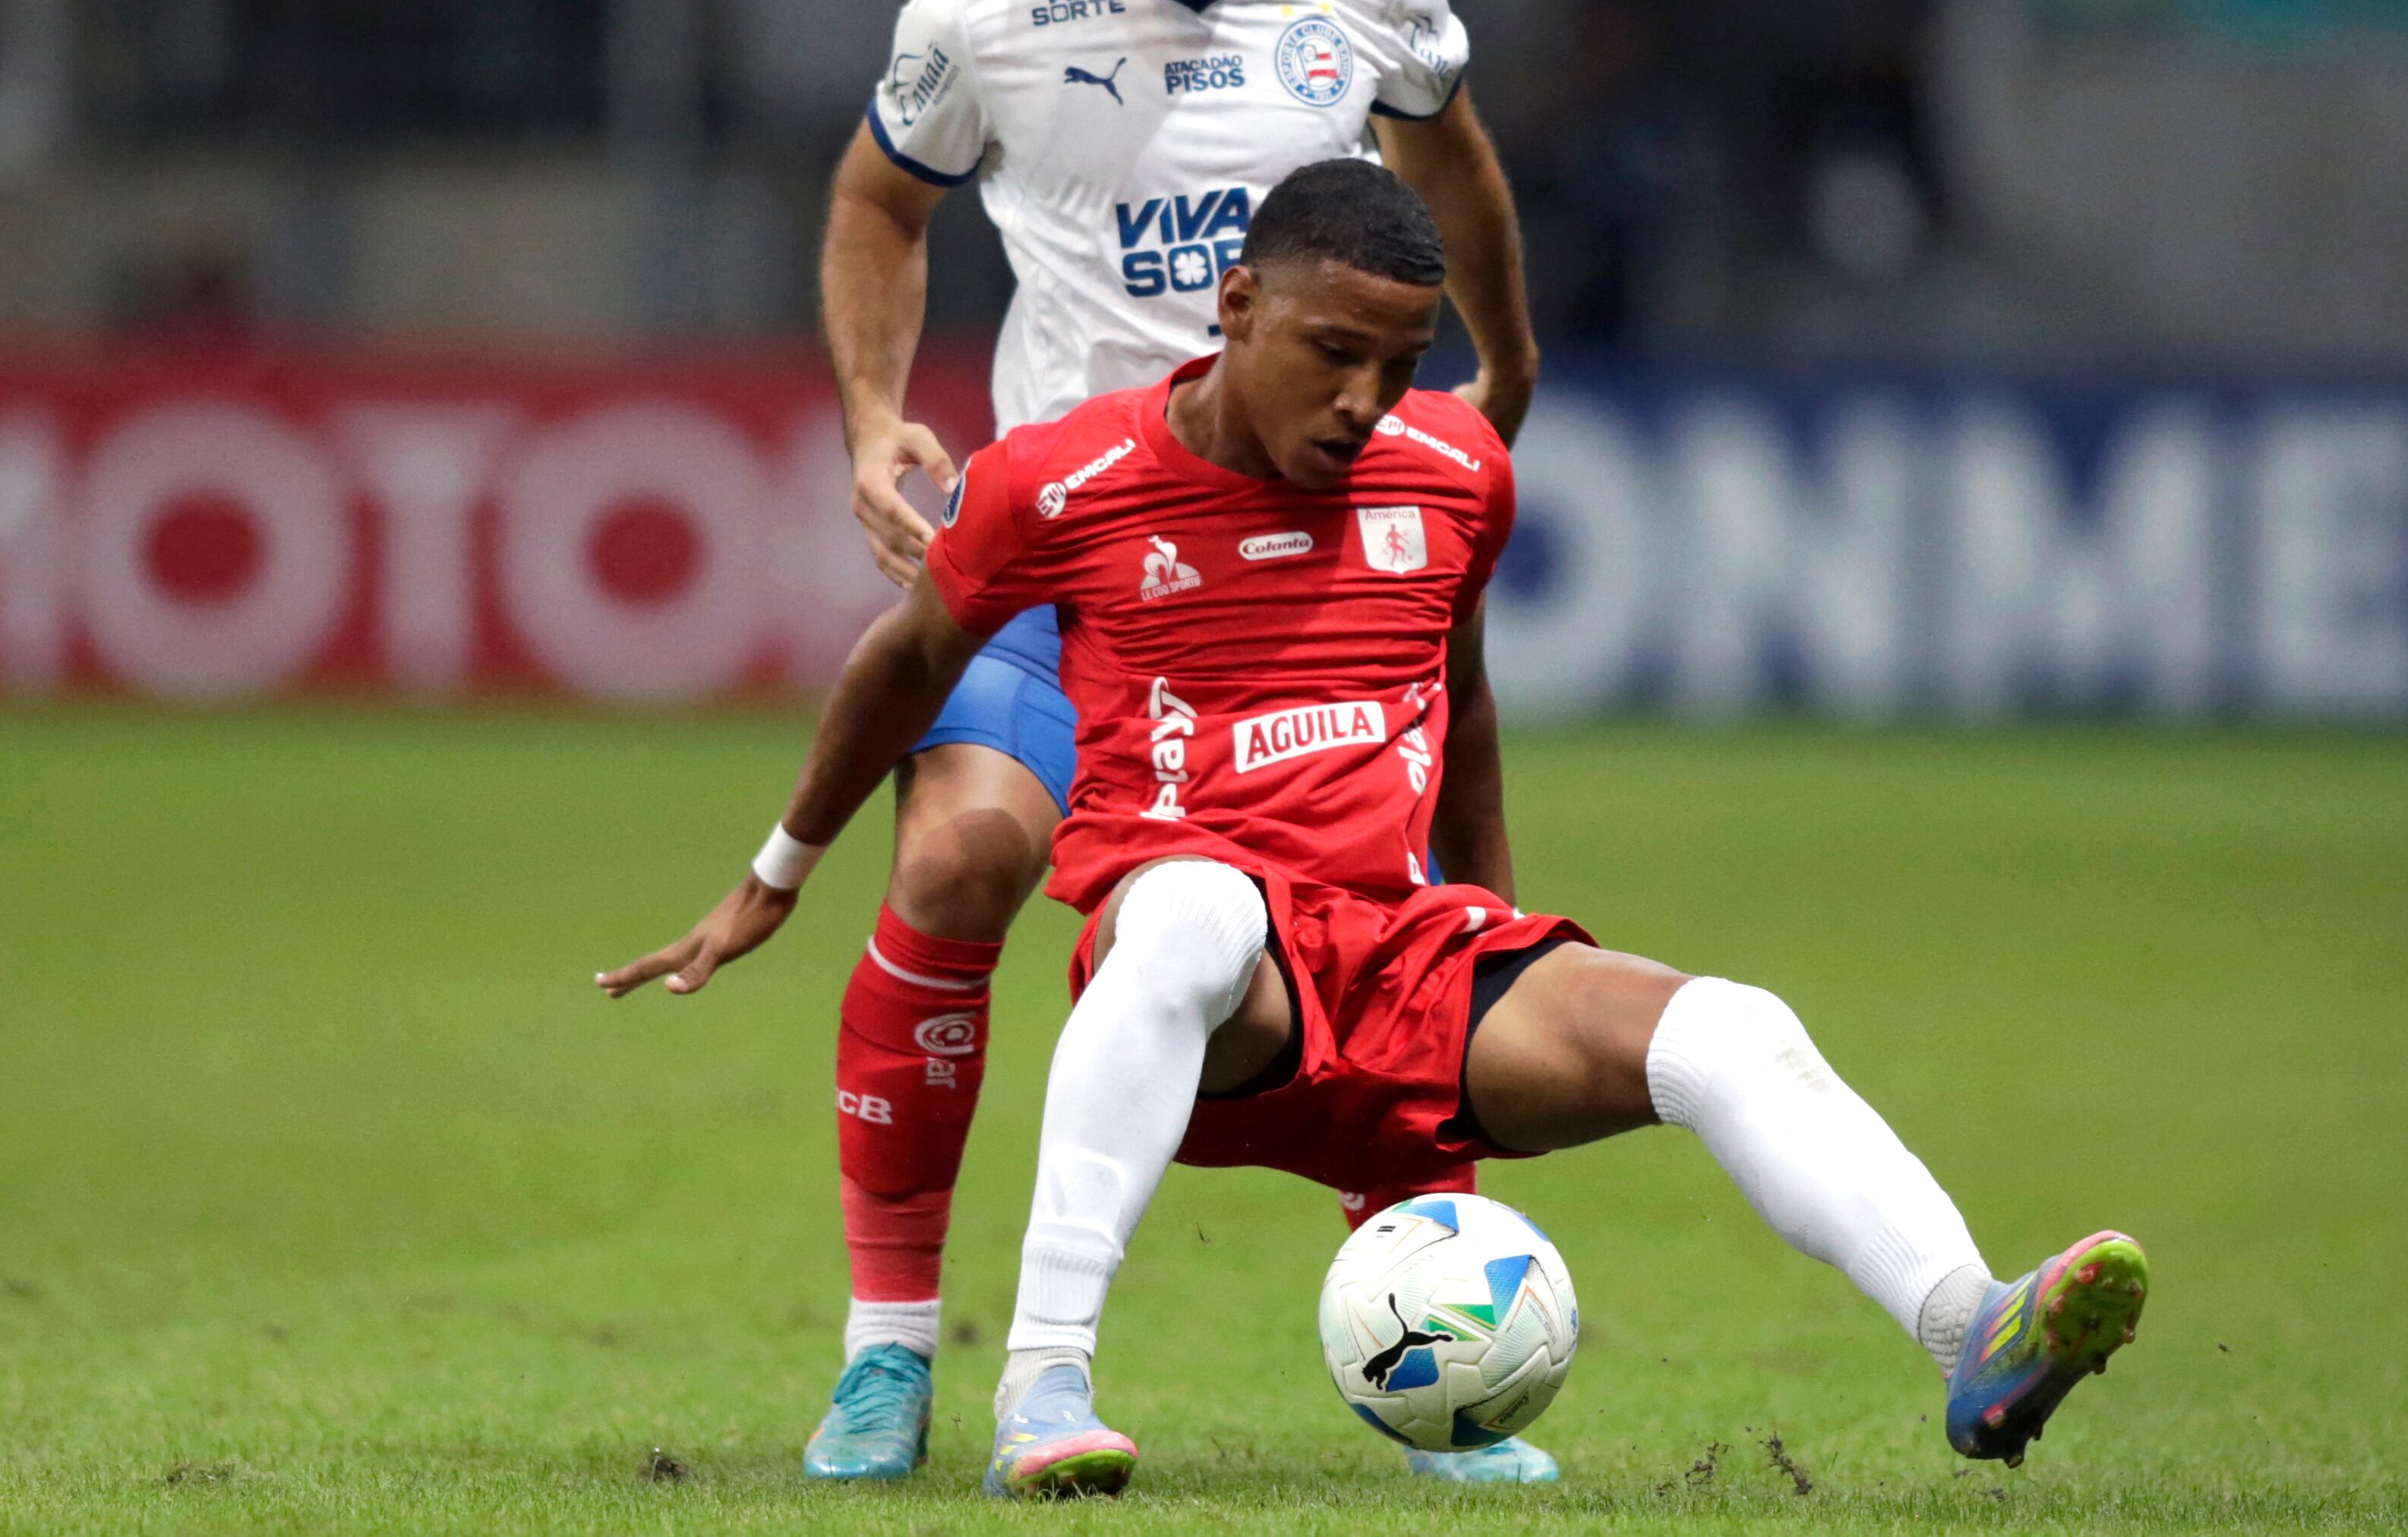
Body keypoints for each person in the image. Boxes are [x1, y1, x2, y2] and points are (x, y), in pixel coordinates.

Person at [601, 159, 2148, 1501]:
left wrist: (1492, 943)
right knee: (1196, 912)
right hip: (1206, 987)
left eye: (1400, 363)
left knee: (1734, 1031)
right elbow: (905, 658)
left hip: (1402, 973)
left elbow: (1461, 713)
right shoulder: (1066, 482)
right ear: (1233, 311)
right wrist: (776, 872)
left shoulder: (1460, 472)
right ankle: (1043, 1390)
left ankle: (1974, 1333)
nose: (1362, 400)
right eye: (1332, 352)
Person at [595, 0, 1540, 1484]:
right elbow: (880, 194)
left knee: (1404, 910)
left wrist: (1504, 370)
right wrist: (873, 417)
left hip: (1299, 569)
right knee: (958, 852)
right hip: (1070, 553)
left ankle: (1431, 1344)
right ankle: (887, 1357)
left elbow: (1457, 165)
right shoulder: (991, 6)